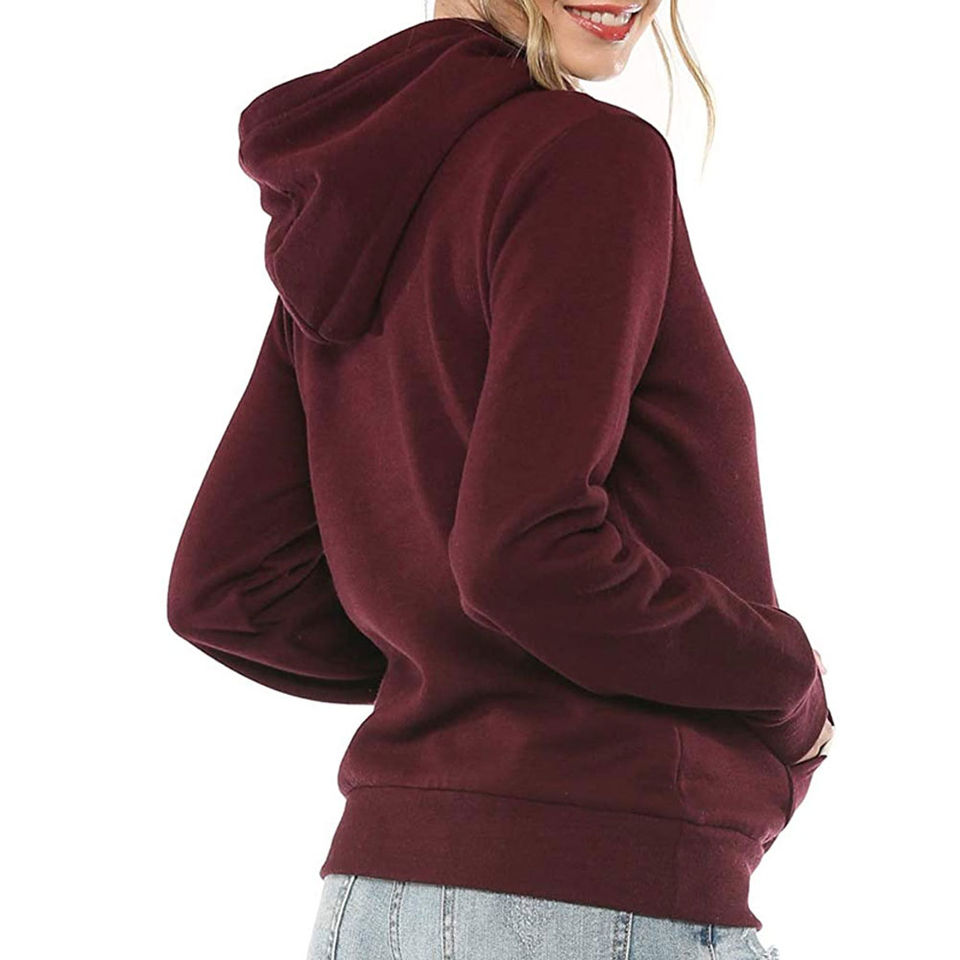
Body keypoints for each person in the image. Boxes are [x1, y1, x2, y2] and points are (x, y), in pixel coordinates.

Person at [166, 1, 836, 957]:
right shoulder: (587, 157)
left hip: (372, 905)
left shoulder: (356, 194)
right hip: (597, 891)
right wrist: (788, 681)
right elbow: (523, 554)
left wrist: (455, 664)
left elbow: (231, 589)